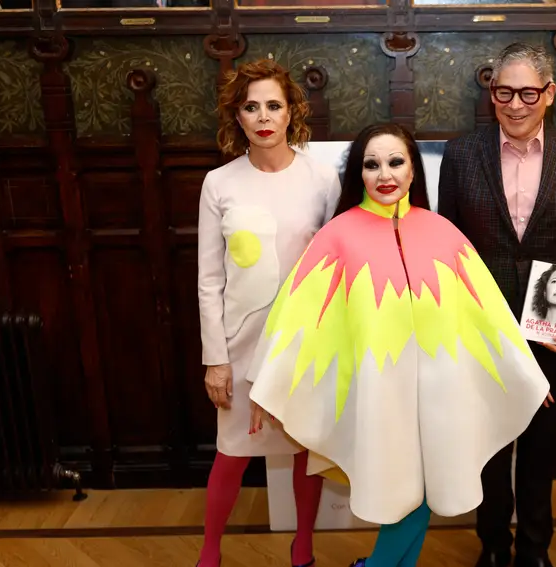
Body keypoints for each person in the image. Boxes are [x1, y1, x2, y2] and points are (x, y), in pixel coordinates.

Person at [245, 123, 552, 567]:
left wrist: (529, 377)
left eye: (395, 162)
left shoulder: (444, 232)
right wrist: (266, 384)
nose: (384, 174)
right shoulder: (337, 236)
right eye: (372, 164)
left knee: (424, 491)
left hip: (438, 398)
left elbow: (488, 313)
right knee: (403, 495)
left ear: (413, 171)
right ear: (360, 174)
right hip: (380, 396)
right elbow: (296, 317)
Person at [437, 42, 556, 567]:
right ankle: (492, 546)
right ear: (491, 94)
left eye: (527, 92)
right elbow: (450, 249)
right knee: (487, 447)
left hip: (551, 323)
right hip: (481, 324)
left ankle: (535, 550)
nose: (515, 104)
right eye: (503, 92)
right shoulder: (462, 153)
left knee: (540, 448)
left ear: (549, 94)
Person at [196, 58, 341, 567]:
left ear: (291, 112)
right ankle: (209, 553)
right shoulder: (219, 183)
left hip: (304, 342)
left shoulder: (323, 180)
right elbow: (209, 279)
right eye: (251, 106)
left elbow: (335, 267)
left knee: (304, 450)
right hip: (241, 342)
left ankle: (303, 549)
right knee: (232, 452)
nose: (263, 116)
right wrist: (216, 358)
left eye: (273, 106)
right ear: (237, 117)